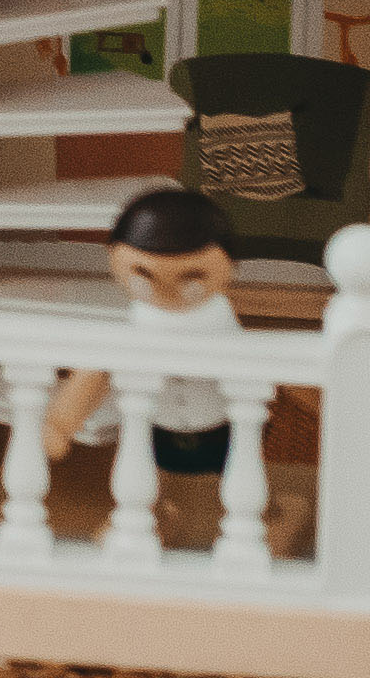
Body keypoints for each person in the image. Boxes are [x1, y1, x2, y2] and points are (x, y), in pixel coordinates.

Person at [39, 181, 254, 495]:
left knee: (243, 481)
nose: (168, 291)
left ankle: (269, 513)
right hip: (154, 424)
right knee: (143, 481)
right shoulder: (136, 324)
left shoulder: (219, 319)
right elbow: (94, 373)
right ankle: (155, 515)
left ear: (229, 266)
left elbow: (262, 361)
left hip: (222, 425)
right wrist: (60, 423)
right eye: (145, 278)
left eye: (190, 280)